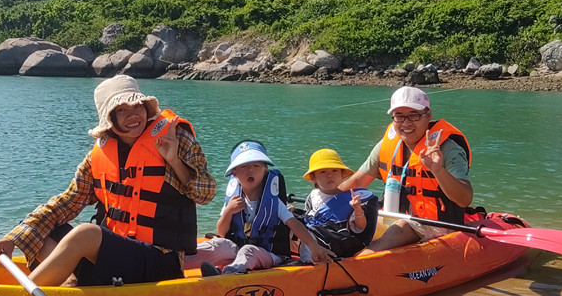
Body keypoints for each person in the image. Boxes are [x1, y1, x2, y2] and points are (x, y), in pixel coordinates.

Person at [0, 75, 217, 286]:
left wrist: (174, 161)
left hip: (160, 261)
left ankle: (23, 295)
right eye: (122, 110)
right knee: (40, 227)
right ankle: (68, 285)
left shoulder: (174, 137)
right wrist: (13, 238)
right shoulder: (99, 154)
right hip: (116, 258)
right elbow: (68, 202)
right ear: (110, 118)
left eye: (138, 106)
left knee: (85, 234)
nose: (133, 115)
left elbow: (205, 195)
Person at [340, 86, 473, 253]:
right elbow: (358, 181)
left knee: (398, 229)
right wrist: (323, 199)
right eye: (399, 116)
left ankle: (357, 262)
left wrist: (438, 170)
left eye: (414, 115)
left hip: (436, 224)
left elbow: (465, 199)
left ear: (428, 115)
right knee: (352, 222)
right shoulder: (387, 145)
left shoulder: (448, 149)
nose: (406, 123)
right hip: (395, 217)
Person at [200, 140, 333, 276]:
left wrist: (313, 246)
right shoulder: (233, 200)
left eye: (256, 165)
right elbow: (221, 232)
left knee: (248, 251)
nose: (250, 170)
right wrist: (228, 212)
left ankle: (227, 274)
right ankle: (186, 259)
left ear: (265, 170)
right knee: (218, 244)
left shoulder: (274, 202)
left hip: (270, 255)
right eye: (244, 166)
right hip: (237, 249)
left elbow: (294, 224)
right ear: (234, 173)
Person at [298, 148, 380, 259]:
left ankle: (312, 261)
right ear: (313, 178)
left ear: (342, 175)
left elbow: (360, 227)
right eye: (323, 172)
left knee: (312, 233)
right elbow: (308, 219)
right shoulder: (312, 197)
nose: (330, 175)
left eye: (334, 171)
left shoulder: (349, 199)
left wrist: (358, 210)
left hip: (337, 241)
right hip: (313, 241)